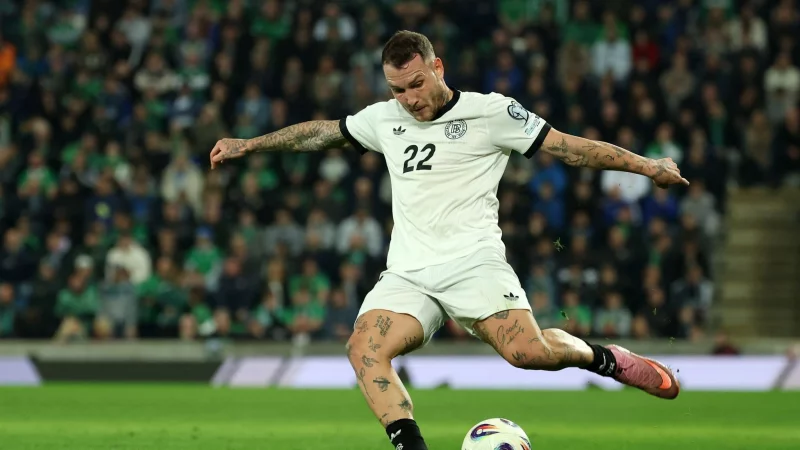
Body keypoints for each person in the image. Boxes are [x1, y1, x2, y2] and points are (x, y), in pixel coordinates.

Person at [210, 31, 685, 450]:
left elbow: (570, 149)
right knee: (364, 349)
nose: (410, 99)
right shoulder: (384, 119)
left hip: (473, 263)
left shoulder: (491, 112)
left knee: (530, 354)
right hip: (408, 273)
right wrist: (249, 144)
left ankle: (608, 360)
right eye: (398, 90)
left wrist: (648, 166)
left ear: (437, 67)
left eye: (416, 84)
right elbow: (319, 134)